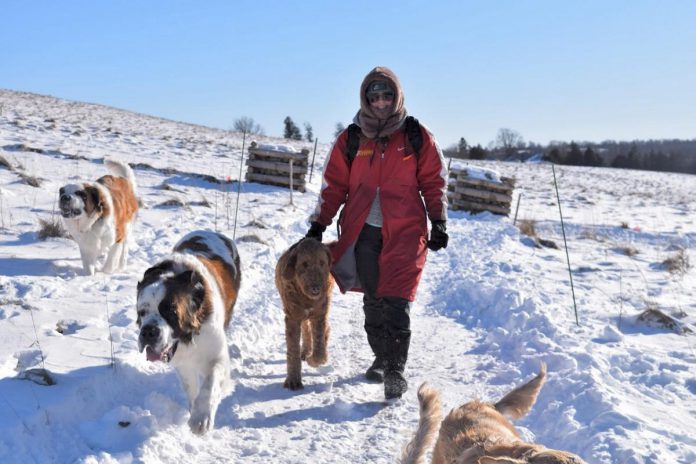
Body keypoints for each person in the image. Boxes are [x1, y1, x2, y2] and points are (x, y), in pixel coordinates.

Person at [306, 66, 449, 399]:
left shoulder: (416, 135)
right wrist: (319, 224)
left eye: (387, 95)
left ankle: (396, 370)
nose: (381, 102)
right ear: (366, 99)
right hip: (363, 233)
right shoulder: (352, 138)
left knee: (397, 301)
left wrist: (438, 220)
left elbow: (433, 180)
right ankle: (382, 358)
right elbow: (334, 186)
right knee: (373, 299)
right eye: (375, 96)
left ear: (397, 96)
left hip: (406, 232)